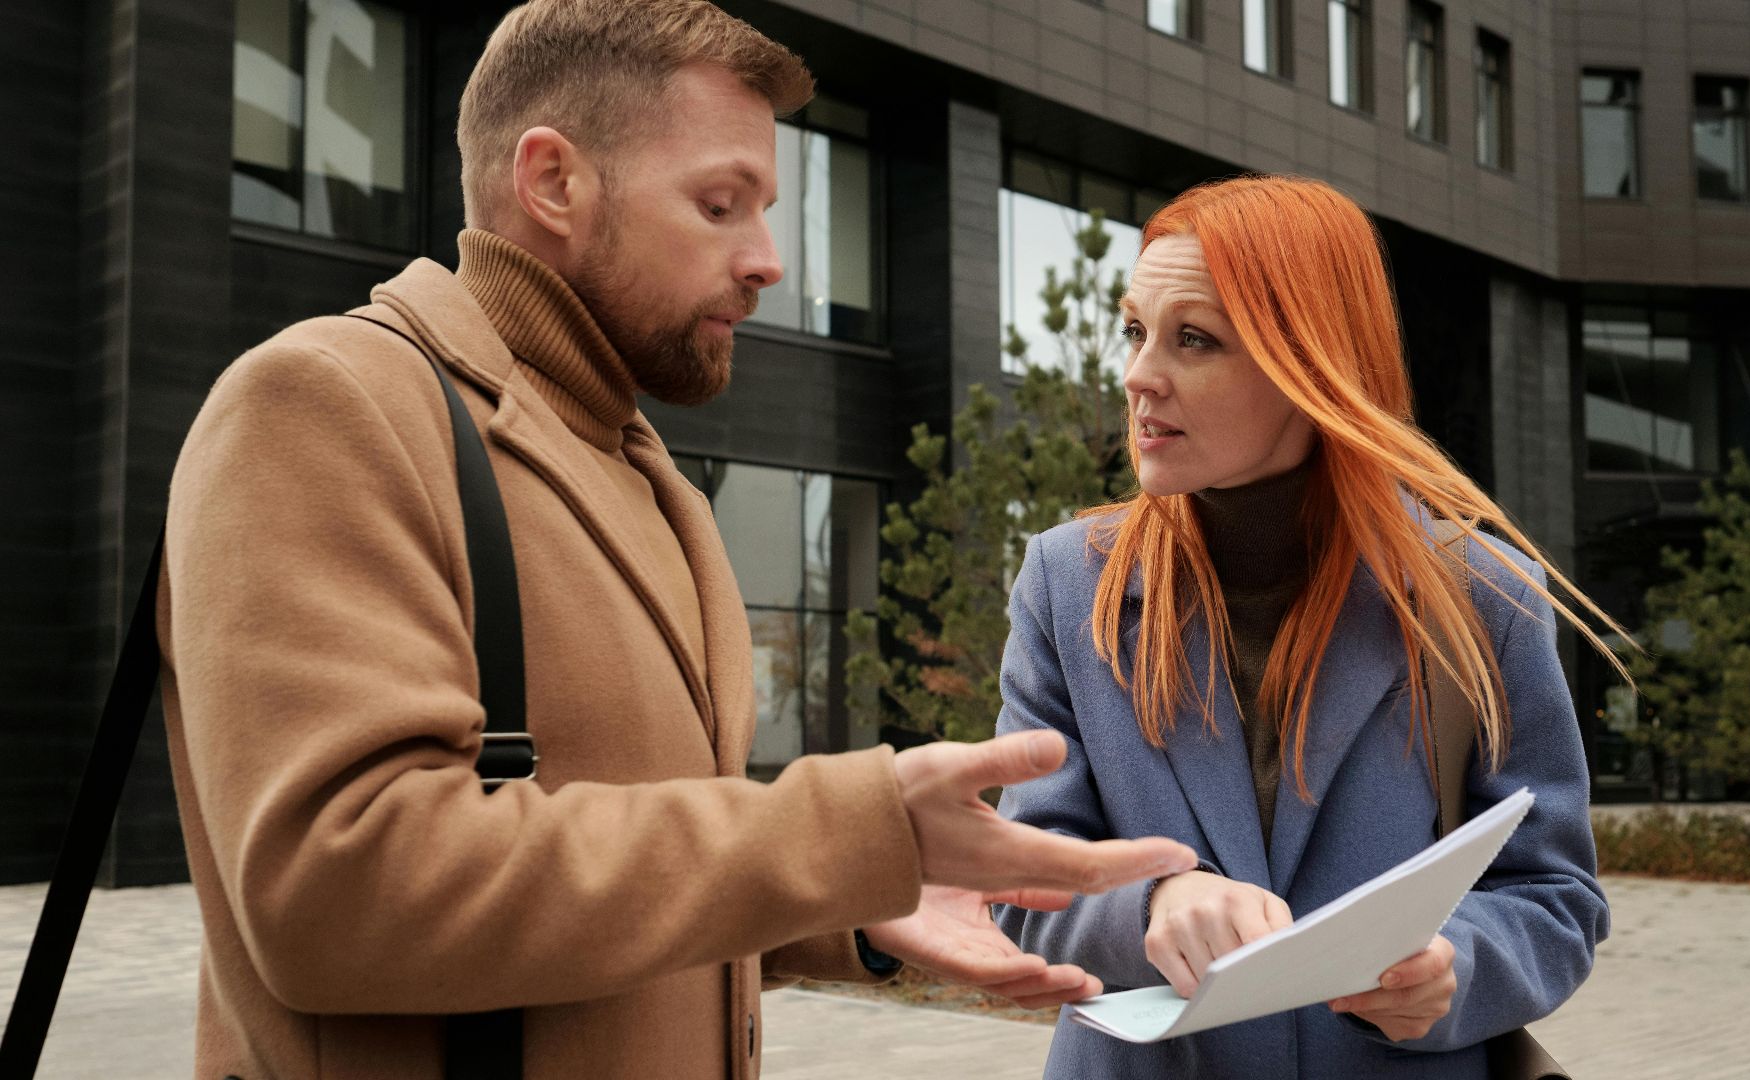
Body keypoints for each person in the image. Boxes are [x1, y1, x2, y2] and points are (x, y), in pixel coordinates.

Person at [155, 2, 1196, 1077]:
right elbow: (342, 894)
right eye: (719, 204)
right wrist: (841, 834)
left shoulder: (647, 475)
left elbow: (616, 878)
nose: (768, 261)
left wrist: (853, 908)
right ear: (554, 181)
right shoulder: (326, 403)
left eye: (768, 210)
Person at [993, 175, 1620, 1078]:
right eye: (1135, 330)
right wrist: (1155, 901)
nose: (1138, 375)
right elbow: (1026, 874)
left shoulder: (1480, 595)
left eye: (1194, 339)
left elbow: (1553, 894)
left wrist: (1456, 968)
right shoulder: (1068, 582)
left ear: (1312, 366)